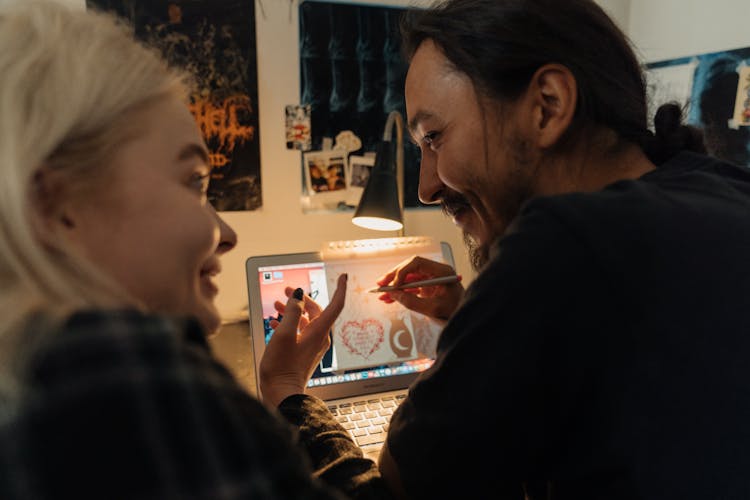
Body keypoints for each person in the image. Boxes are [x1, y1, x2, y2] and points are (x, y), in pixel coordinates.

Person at [261, 0, 750, 499]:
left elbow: (391, 494)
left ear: (548, 105)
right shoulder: (725, 187)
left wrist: (287, 392)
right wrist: (470, 317)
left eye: (434, 137)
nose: (427, 186)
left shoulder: (562, 241)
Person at [0, 2, 391, 498]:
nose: (225, 233)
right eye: (194, 182)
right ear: (56, 205)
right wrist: (291, 394)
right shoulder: (138, 384)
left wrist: (286, 383)